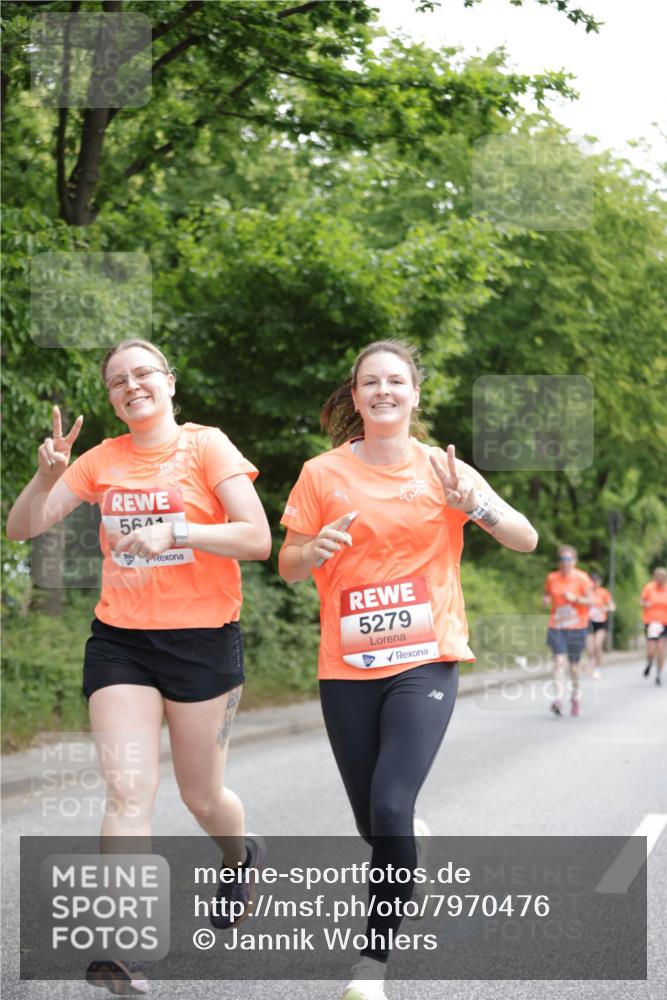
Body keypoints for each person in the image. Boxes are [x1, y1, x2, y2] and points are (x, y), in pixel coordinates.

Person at [7, 339, 272, 994]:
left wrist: (176, 532)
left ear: (170, 382)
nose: (132, 386)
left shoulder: (207, 447)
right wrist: (45, 476)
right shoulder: (101, 460)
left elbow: (257, 538)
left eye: (143, 373)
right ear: (112, 398)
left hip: (204, 643)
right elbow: (22, 528)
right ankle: (122, 944)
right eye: (118, 381)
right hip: (122, 642)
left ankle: (240, 855)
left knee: (202, 796)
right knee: (128, 791)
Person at [278, 339, 538, 1000]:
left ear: (414, 394)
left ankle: (371, 965)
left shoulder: (443, 470)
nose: (383, 391)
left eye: (396, 381)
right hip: (346, 665)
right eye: (371, 382)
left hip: (425, 658)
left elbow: (525, 537)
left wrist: (472, 504)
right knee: (375, 824)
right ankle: (404, 846)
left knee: (391, 805)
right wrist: (314, 549)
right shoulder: (321, 473)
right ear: (356, 395)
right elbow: (287, 564)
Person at [542, 546, 593, 717]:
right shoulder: (552, 578)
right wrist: (546, 599)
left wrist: (576, 599)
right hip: (557, 626)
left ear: (574, 561)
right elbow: (546, 593)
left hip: (577, 627)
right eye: (563, 559)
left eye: (569, 559)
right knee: (559, 661)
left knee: (573, 667)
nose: (566, 563)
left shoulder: (582, 578)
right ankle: (557, 699)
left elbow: (591, 601)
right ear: (559, 562)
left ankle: (575, 697)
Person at [585, 572, 616, 679]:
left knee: (597, 645)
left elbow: (612, 606)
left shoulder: (603, 592)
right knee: (590, 648)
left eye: (596, 581)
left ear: (599, 582)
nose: (594, 583)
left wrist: (606, 608)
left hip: (601, 622)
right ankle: (591, 662)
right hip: (588, 622)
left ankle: (597, 668)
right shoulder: (586, 592)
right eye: (592, 581)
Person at [640, 567, 667, 685]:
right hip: (651, 623)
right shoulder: (649, 588)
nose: (659, 580)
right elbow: (641, 601)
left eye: (662, 577)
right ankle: (650, 662)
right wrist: (645, 604)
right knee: (651, 650)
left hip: (664, 623)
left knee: (661, 649)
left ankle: (659, 674)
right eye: (657, 577)